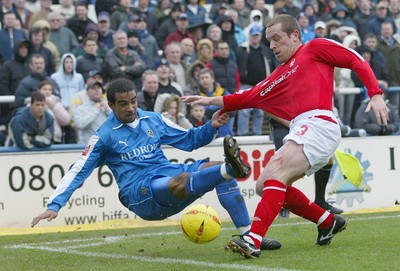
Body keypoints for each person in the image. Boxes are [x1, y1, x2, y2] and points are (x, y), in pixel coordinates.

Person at [182, 14, 388, 258]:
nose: (272, 46)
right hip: (303, 127)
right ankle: (326, 221)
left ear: (295, 35)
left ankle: (253, 238)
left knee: (277, 171)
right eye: (269, 41)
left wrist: (375, 93)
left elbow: (354, 59)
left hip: (319, 123)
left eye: (276, 39)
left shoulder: (314, 48)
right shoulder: (280, 72)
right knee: (262, 185)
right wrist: (211, 100)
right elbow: (249, 96)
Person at [30, 77, 282, 252]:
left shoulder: (152, 119)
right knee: (184, 179)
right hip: (140, 194)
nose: (131, 108)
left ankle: (249, 237)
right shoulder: (104, 136)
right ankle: (230, 168)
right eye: (123, 103)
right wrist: (55, 205)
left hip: (167, 174)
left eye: (133, 101)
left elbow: (189, 140)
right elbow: (78, 170)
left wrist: (212, 126)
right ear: (111, 104)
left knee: (211, 167)